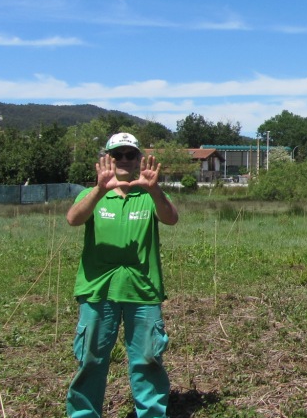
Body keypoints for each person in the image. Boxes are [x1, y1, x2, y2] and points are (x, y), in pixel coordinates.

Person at [64, 132, 180, 418]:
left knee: (148, 359)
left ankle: (151, 413)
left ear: (140, 159)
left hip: (142, 290)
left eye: (131, 154)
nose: (125, 160)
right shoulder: (92, 195)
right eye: (118, 155)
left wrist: (154, 189)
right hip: (97, 290)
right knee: (90, 359)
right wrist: (99, 190)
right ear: (107, 159)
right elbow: (73, 219)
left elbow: (171, 218)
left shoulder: (149, 194)